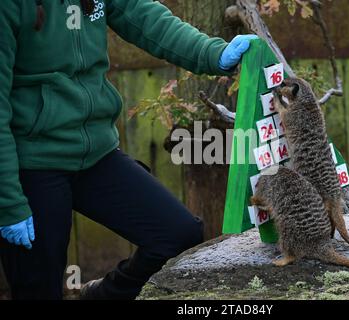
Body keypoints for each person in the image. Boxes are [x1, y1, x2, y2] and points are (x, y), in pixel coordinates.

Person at [0, 0, 257, 300]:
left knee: (177, 235)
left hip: (97, 155)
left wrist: (213, 53)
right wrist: (8, 203)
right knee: (38, 289)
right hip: (32, 164)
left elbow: (147, 18)